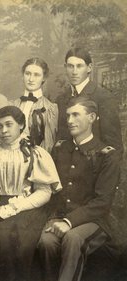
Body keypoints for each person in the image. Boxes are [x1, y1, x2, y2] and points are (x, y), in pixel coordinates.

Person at [0, 105, 61, 281]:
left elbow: (44, 192)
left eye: (9, 125)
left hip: (27, 208)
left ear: (21, 125)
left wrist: (17, 206)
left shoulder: (35, 152)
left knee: (9, 240)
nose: (3, 130)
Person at [38, 96, 119, 281]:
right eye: (68, 115)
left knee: (73, 239)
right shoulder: (59, 148)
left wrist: (69, 221)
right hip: (59, 215)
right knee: (46, 242)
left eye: (76, 115)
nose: (70, 121)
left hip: (95, 220)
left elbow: (103, 202)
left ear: (91, 118)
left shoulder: (106, 154)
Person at [56, 47, 123, 152]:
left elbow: (114, 147)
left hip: (95, 166)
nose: (74, 72)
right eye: (70, 66)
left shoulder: (103, 97)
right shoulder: (61, 99)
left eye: (79, 66)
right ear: (65, 67)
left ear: (89, 68)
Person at [12, 57, 58, 152]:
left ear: (43, 78)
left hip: (36, 158)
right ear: (22, 75)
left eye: (36, 75)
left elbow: (48, 144)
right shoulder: (13, 104)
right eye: (27, 74)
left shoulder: (50, 108)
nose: (31, 79)